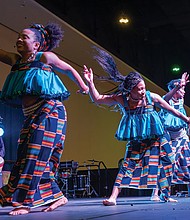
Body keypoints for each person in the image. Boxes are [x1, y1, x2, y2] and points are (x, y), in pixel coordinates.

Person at [0, 22, 88, 215]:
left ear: (37, 45)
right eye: (18, 37)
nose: (19, 40)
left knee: (34, 155)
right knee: (25, 158)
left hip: (50, 112)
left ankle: (25, 203)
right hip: (30, 115)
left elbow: (68, 70)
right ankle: (58, 196)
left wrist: (84, 86)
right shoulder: (16, 61)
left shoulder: (45, 57)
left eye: (24, 37)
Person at [83, 47, 190, 206]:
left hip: (157, 138)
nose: (142, 91)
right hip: (137, 140)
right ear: (130, 89)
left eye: (143, 88)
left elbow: (171, 110)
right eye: (139, 89)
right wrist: (90, 83)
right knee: (127, 165)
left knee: (169, 161)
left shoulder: (150, 97)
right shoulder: (122, 99)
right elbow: (98, 99)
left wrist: (186, 119)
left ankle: (165, 195)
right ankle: (113, 197)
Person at [151, 72, 190, 201]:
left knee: (186, 161)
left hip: (181, 135)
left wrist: (182, 84)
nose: (184, 92)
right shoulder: (164, 100)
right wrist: (178, 86)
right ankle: (156, 193)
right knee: (165, 164)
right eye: (182, 89)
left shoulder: (181, 99)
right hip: (167, 134)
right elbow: (168, 97)